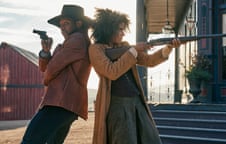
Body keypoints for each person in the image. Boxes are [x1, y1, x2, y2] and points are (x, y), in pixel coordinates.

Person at [89, 8, 183, 144]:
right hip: (118, 105)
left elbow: (149, 61)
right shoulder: (96, 49)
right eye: (120, 29)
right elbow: (111, 72)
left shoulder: (125, 47)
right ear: (108, 29)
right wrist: (133, 51)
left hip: (137, 102)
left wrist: (168, 48)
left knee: (151, 139)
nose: (123, 33)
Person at [21, 4, 92, 144]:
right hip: (66, 104)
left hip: (59, 103)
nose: (62, 28)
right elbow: (45, 68)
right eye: (60, 25)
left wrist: (47, 79)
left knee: (30, 140)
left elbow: (49, 71)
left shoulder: (76, 39)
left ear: (78, 23)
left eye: (66, 24)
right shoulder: (73, 42)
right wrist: (46, 51)